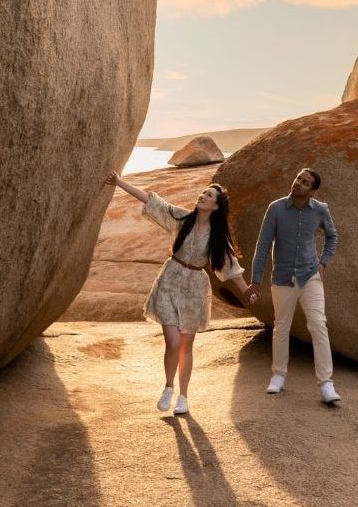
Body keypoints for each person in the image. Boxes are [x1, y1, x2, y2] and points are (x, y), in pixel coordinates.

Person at [106, 171, 255, 416]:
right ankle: (168, 387)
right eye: (204, 192)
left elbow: (231, 268)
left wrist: (246, 291)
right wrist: (120, 182)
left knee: (186, 346)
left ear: (216, 206)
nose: (203, 195)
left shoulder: (217, 237)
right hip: (169, 280)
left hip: (194, 288)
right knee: (173, 342)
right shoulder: (182, 218)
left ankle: (183, 396)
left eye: (209, 195)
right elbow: (152, 200)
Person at [249, 167, 341, 404]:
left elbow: (332, 236)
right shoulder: (276, 208)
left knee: (319, 325)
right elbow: (263, 245)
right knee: (281, 328)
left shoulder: (320, 210)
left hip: (310, 276)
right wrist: (256, 282)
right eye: (298, 178)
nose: (298, 183)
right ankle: (278, 375)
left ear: (313, 190)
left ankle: (326, 384)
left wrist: (324, 261)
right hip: (283, 278)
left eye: (305, 182)